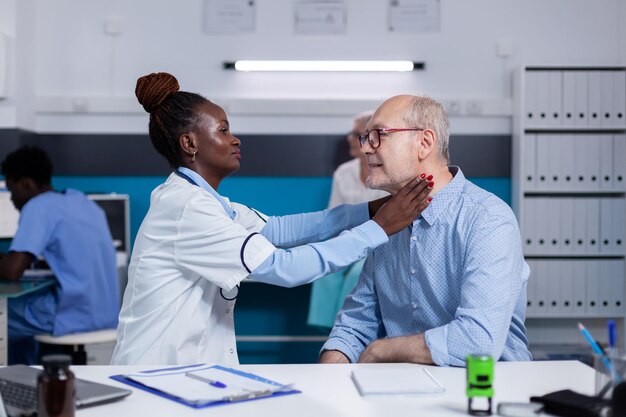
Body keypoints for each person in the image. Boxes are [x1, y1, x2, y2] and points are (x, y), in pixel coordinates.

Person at [111, 73, 433, 366]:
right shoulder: (187, 209)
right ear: (190, 143)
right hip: (152, 373)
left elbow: (280, 229)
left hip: (187, 373)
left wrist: (369, 210)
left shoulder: (208, 203)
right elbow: (287, 267)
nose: (235, 139)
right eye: (223, 130)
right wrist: (379, 228)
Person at [320, 95, 531, 367]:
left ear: (424, 143)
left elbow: (477, 339)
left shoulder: (487, 220)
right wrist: (331, 371)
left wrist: (380, 351)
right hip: (403, 393)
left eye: (378, 135)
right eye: (365, 138)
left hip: (483, 393)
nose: (366, 148)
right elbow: (356, 323)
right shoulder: (389, 221)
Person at [0, 146, 120, 364]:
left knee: (4, 315)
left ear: (25, 184)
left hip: (72, 314)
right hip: (106, 313)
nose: (12, 200)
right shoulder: (81, 201)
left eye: (11, 190)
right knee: (24, 313)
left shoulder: (38, 207)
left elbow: (12, 271)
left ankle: (15, 382)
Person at [308, 111, 388, 329]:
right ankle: (329, 329)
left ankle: (348, 329)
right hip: (348, 240)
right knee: (326, 269)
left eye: (355, 134)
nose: (349, 139)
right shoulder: (344, 172)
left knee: (357, 274)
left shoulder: (388, 171)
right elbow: (334, 216)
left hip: (379, 244)